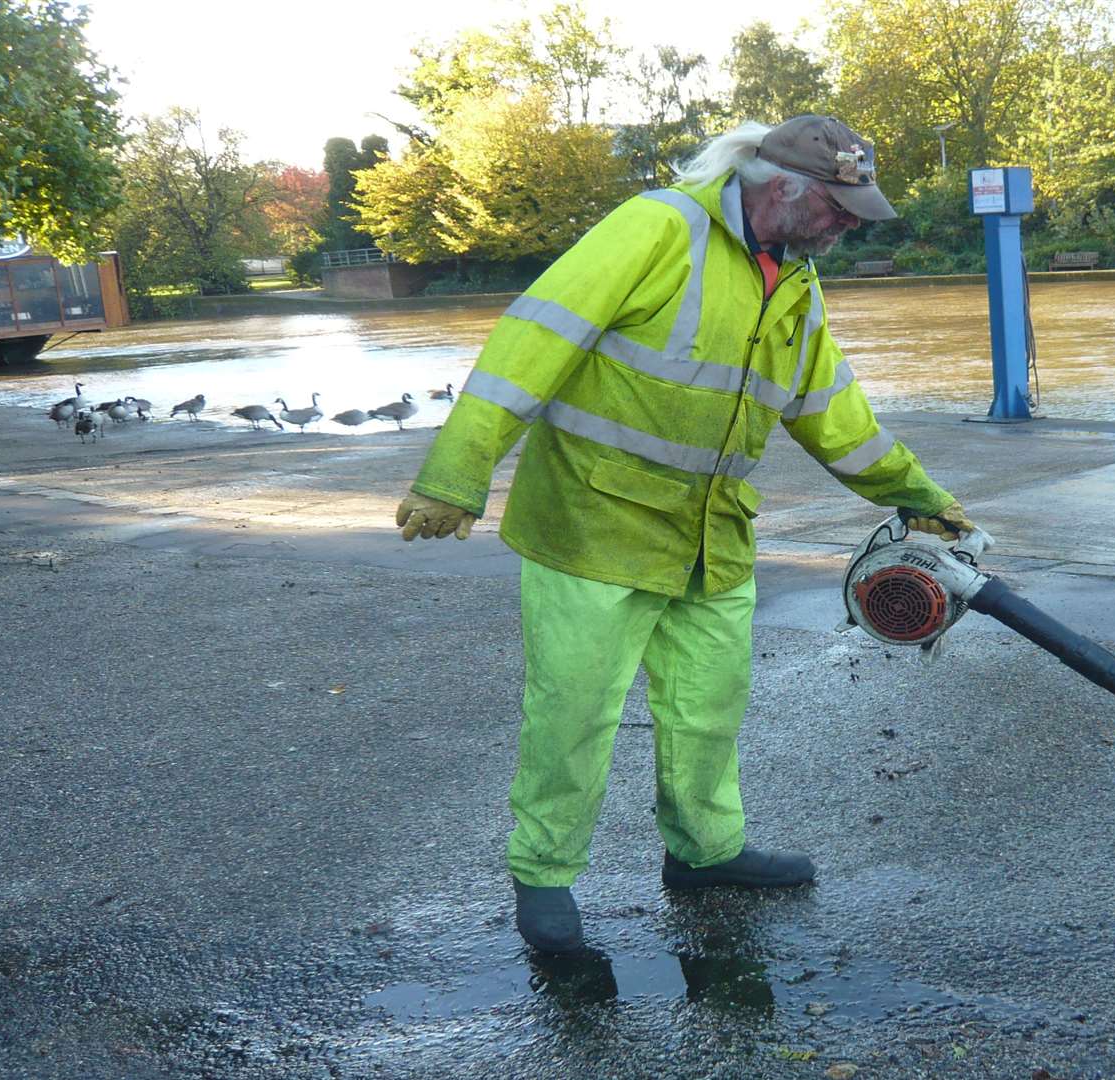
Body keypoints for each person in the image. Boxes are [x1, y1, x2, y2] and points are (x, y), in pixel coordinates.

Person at [393, 115, 981, 954]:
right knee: (573, 715)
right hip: (593, 525)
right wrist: (456, 473)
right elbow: (533, 341)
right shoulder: (657, 228)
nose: (850, 227)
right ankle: (546, 875)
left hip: (711, 538)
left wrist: (920, 496)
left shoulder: (797, 281)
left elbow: (831, 413)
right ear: (780, 187)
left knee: (708, 708)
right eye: (841, 209)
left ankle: (706, 853)